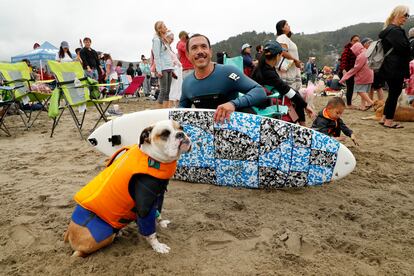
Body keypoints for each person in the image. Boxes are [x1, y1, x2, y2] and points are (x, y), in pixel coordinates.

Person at [179, 34, 267, 123]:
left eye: (204, 46)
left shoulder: (228, 72)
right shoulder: (187, 83)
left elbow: (260, 91)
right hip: (206, 133)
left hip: (233, 129)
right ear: (187, 55)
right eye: (194, 48)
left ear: (210, 51)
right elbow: (180, 112)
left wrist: (233, 104)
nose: (200, 51)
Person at [251, 40, 315, 125]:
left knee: (296, 96)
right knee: (295, 97)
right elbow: (285, 89)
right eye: (281, 55)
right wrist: (305, 105)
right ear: (278, 56)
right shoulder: (268, 72)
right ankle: (303, 127)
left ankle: (303, 126)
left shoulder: (260, 68)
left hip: (264, 99)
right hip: (268, 102)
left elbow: (282, 87)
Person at [378, 5, 411, 128]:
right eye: (405, 15)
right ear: (398, 14)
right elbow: (404, 49)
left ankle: (384, 117)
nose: (406, 18)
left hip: (388, 67)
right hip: (396, 67)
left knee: (392, 93)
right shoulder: (395, 31)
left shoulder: (388, 29)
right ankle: (389, 121)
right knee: (394, 94)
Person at [339, 42, 375, 111]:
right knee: (364, 91)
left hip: (363, 76)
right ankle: (362, 106)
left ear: (356, 49)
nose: (354, 52)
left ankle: (370, 102)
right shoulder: (367, 52)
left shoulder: (361, 56)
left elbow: (356, 68)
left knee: (359, 90)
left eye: (354, 51)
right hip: (370, 74)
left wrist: (344, 77)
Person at [152, 21, 174, 108]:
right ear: (159, 29)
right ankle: (159, 110)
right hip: (163, 68)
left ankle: (166, 110)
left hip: (169, 67)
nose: (166, 27)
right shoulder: (156, 40)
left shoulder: (164, 39)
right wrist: (159, 70)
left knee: (168, 91)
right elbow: (156, 56)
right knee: (163, 90)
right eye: (164, 26)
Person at [275, 20, 302, 91]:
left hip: (291, 69)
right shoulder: (282, 37)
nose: (289, 26)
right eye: (286, 24)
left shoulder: (286, 38)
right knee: (290, 92)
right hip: (287, 71)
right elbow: (283, 52)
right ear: (282, 28)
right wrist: (296, 61)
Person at [360, 37, 385, 101]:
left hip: (377, 70)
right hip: (373, 70)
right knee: (371, 88)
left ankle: (381, 102)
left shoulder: (375, 48)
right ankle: (371, 102)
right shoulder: (373, 48)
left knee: (378, 88)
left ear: (366, 44)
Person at [339, 35, 360, 109]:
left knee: (351, 87)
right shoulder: (348, 49)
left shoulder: (357, 49)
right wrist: (344, 70)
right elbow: (343, 60)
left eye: (358, 40)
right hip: (346, 71)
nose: (357, 42)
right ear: (351, 41)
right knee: (350, 87)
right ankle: (349, 104)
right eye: (355, 40)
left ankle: (348, 103)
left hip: (352, 71)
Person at [165, 31, 182, 107]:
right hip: (172, 69)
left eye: (173, 39)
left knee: (177, 88)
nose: (172, 40)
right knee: (172, 89)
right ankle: (171, 107)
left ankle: (176, 105)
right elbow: (166, 59)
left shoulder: (169, 47)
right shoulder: (165, 47)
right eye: (171, 38)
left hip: (177, 68)